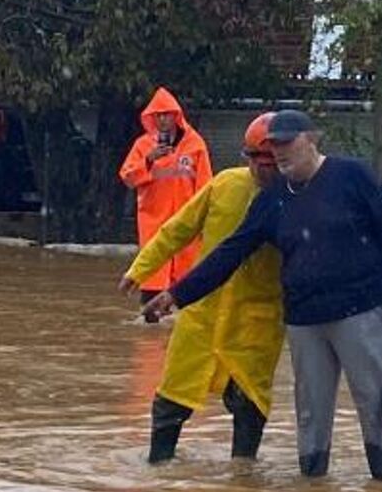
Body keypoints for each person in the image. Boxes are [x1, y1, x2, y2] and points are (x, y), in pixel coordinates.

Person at [144, 110, 382, 481]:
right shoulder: (272, 199)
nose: (278, 152)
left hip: (361, 310)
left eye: (286, 143)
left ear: (312, 140)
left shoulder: (351, 175)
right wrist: (176, 295)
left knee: (378, 403)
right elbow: (232, 252)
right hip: (304, 320)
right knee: (311, 412)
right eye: (272, 146)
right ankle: (313, 488)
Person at [121, 114, 287, 463]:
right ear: (247, 158)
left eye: (274, 163)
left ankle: (243, 478)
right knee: (172, 399)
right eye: (259, 161)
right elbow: (177, 230)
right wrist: (141, 269)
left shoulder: (296, 198)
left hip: (256, 322)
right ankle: (159, 468)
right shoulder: (225, 185)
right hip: (202, 314)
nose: (266, 171)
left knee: (249, 404)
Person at [118, 87, 212, 301]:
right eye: (157, 115)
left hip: (186, 223)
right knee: (152, 278)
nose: (162, 120)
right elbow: (127, 178)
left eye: (166, 114)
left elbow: (206, 186)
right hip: (154, 223)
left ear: (176, 116)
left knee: (185, 284)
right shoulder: (142, 146)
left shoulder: (195, 145)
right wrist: (148, 161)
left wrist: (205, 222)